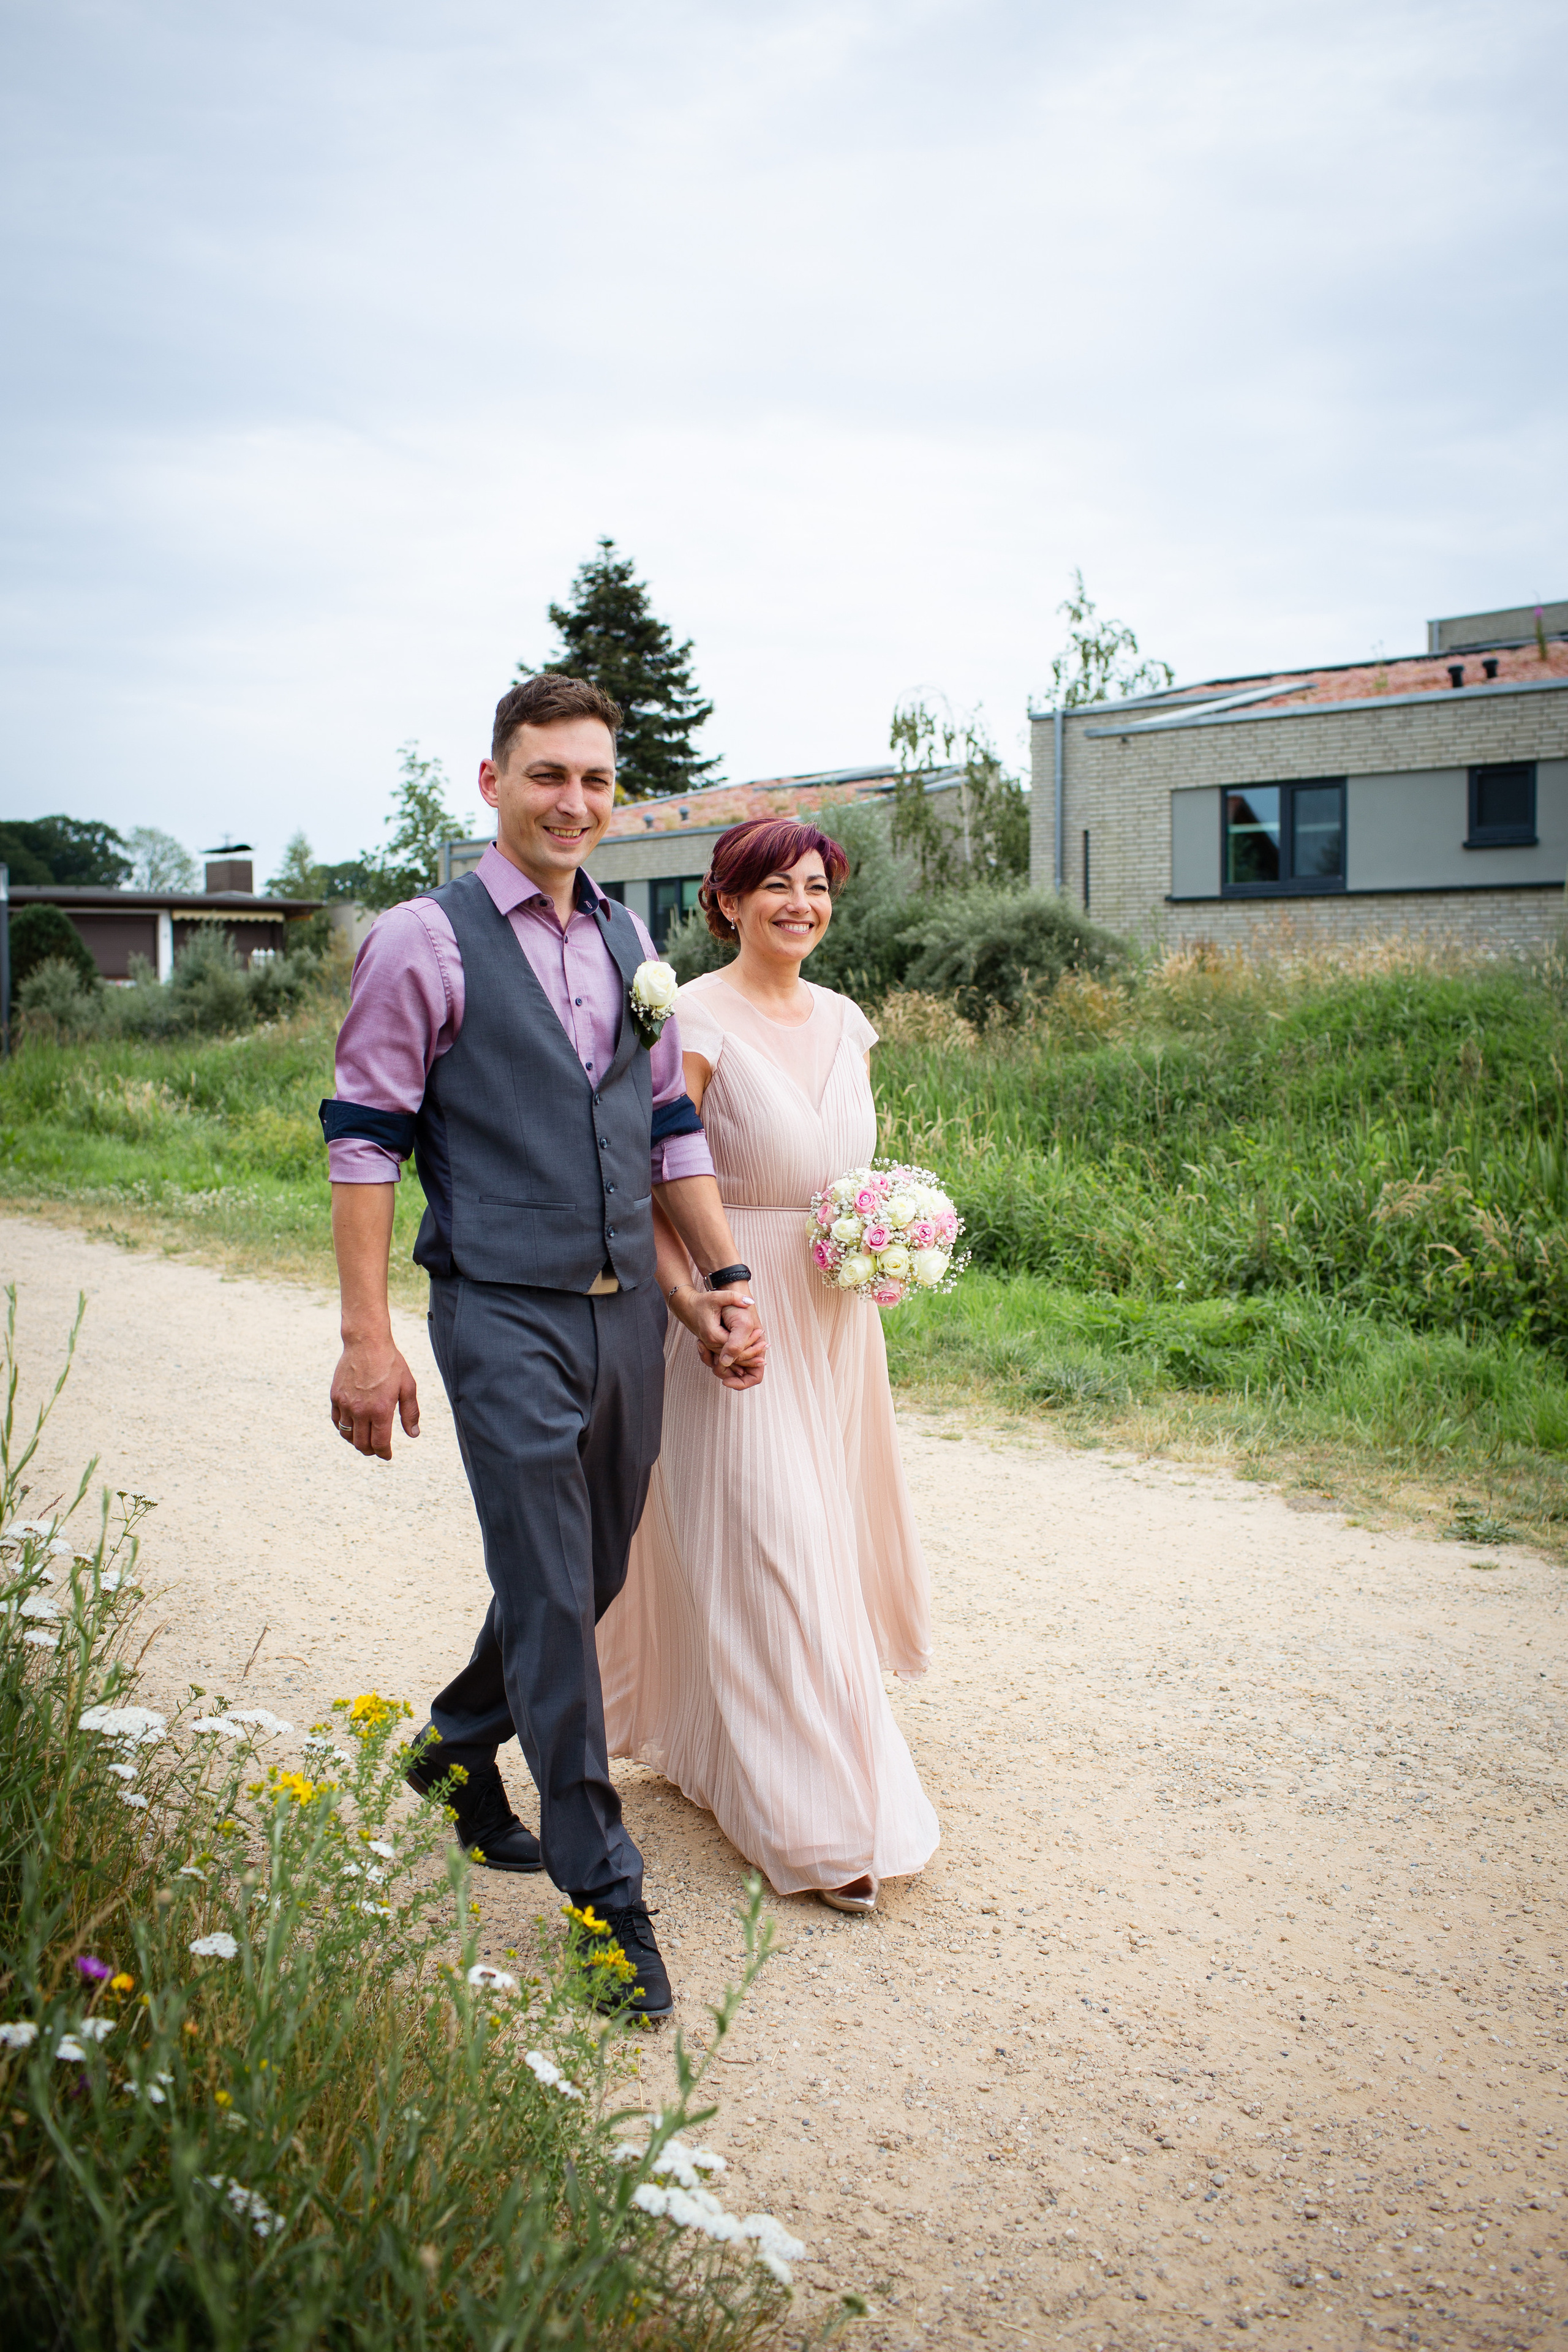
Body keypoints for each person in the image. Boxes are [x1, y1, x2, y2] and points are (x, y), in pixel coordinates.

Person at [320, 674, 765, 2019]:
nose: (573, 802)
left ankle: (459, 1745)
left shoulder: (632, 937)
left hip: (629, 1301)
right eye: (546, 777)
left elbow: (665, 1135)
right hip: (499, 1306)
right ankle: (604, 1900)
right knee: (557, 1594)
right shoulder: (423, 941)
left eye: (593, 779)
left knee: (593, 1563)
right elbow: (363, 1143)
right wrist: (364, 1339)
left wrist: (714, 1283)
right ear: (492, 782)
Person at [596, 817, 938, 1912]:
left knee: (819, 1544)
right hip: (732, 1313)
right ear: (727, 901)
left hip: (836, 1318)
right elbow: (649, 1170)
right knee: (772, 1547)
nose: (802, 904)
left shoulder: (848, 1020)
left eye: (818, 887)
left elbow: (840, 1167)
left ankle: (741, 1754)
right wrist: (695, 1300)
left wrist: (886, 1233)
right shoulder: (688, 1015)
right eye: (776, 887)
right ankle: (826, 1822)